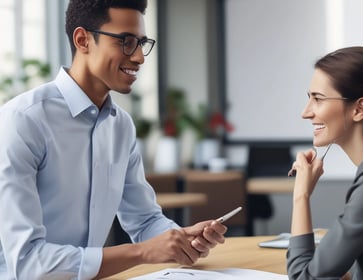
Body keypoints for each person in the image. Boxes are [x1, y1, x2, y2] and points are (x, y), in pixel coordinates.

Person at [0, 1, 227, 279]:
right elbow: (28, 263)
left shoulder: (121, 126)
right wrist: (143, 252)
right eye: (126, 42)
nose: (140, 57)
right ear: (83, 40)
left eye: (142, 43)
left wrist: (179, 241)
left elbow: (144, 220)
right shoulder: (23, 120)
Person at [287, 46, 363, 279]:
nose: (305, 112)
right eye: (309, 98)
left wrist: (301, 195)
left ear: (359, 109)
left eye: (318, 99)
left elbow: (304, 277)